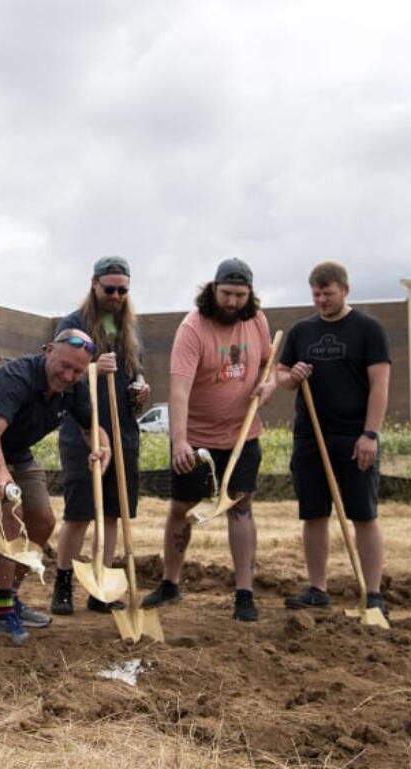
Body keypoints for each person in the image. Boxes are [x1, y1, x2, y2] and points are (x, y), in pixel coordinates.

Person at [0, 329, 109, 645]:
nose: (68, 375)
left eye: (77, 371)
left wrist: (102, 447)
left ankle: (8, 597)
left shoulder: (73, 387)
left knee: (43, 522)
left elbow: (92, 427)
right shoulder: (17, 376)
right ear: (49, 350)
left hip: (18, 452)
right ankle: (1, 615)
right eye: (64, 366)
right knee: (10, 517)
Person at [142, 258, 275, 622]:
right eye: (227, 293)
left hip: (242, 433)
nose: (232, 302)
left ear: (249, 294)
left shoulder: (257, 321)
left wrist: (271, 385)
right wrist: (180, 442)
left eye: (240, 295)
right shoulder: (192, 329)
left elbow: (269, 364)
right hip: (196, 439)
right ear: (213, 290)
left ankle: (244, 593)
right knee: (181, 509)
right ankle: (170, 582)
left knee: (241, 507)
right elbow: (179, 391)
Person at [274, 260, 391, 618]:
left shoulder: (368, 329)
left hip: (354, 437)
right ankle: (317, 589)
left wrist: (370, 434)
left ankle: (372, 594)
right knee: (314, 514)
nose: (321, 300)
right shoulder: (301, 331)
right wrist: (291, 375)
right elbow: (281, 376)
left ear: (345, 289)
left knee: (363, 515)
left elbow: (380, 385)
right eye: (316, 294)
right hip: (311, 437)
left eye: (328, 293)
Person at [51, 257, 150, 616]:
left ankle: (101, 587)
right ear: (94, 285)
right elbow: (59, 375)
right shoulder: (74, 325)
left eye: (123, 290)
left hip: (123, 433)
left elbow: (134, 380)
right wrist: (93, 367)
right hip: (85, 433)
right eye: (110, 289)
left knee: (112, 513)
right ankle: (63, 584)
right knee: (79, 513)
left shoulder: (129, 330)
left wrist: (140, 391)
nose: (116, 296)